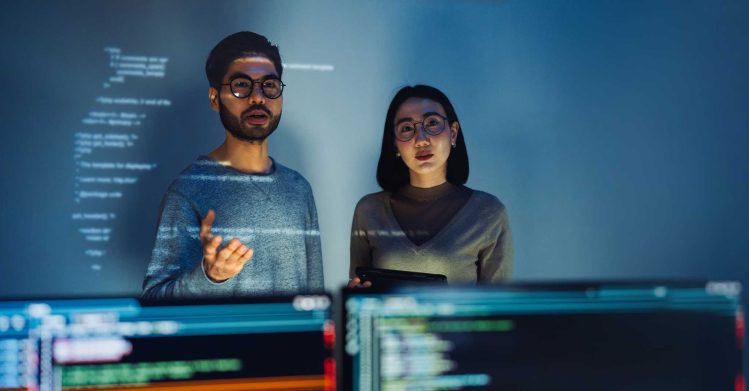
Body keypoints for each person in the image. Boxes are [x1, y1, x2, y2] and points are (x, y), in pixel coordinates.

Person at [143, 31, 323, 298]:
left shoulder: (299, 188)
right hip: (228, 341)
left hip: (292, 340)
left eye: (269, 85)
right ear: (215, 99)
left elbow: (314, 295)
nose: (257, 97)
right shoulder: (187, 191)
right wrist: (210, 276)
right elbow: (154, 297)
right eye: (241, 85)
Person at [349, 85, 512, 286]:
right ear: (395, 144)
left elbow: (497, 310)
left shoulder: (488, 212)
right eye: (407, 128)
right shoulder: (369, 211)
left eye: (432, 123)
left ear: (453, 133)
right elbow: (356, 295)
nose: (421, 140)